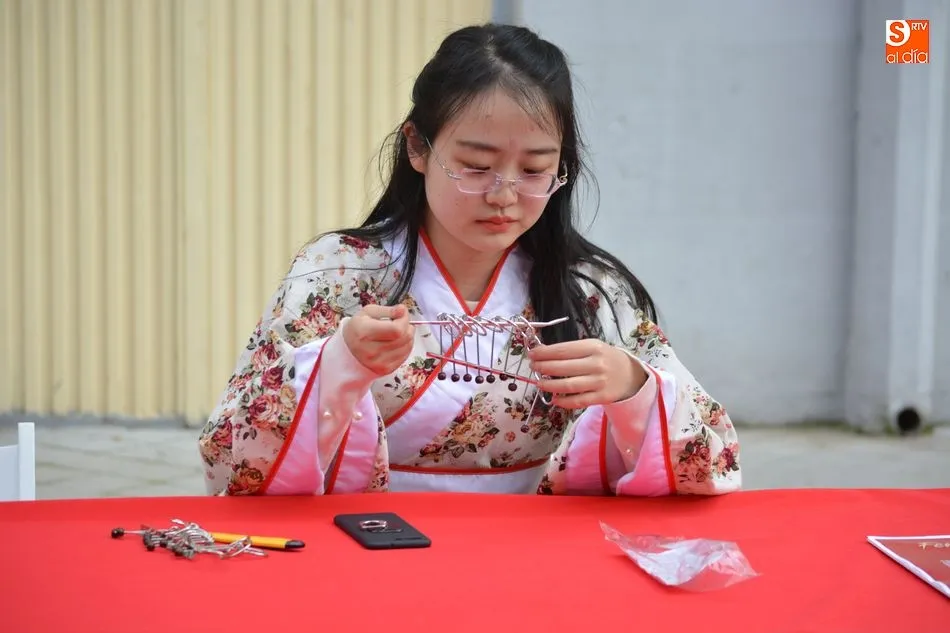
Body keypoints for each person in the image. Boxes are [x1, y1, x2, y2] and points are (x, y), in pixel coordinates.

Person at [197, 23, 741, 498]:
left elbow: (715, 460)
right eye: (475, 165)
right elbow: (232, 457)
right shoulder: (336, 273)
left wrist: (634, 388)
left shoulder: (591, 290)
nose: (504, 194)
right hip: (370, 543)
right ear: (417, 148)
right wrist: (338, 364)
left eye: (534, 170)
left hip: (531, 557)